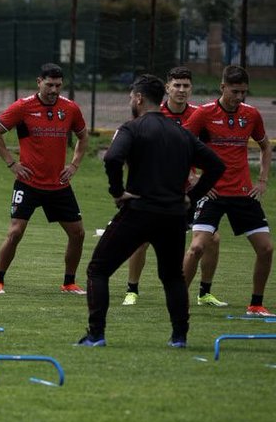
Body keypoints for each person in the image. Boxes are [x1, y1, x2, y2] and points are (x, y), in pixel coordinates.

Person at [77, 74, 224, 348]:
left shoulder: (132, 128)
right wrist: (190, 197)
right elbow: (216, 165)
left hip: (139, 212)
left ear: (139, 98)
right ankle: (179, 337)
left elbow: (112, 158)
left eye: (132, 97)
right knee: (172, 277)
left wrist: (117, 192)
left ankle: (96, 334)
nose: (131, 101)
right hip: (173, 216)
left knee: (98, 269)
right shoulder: (182, 133)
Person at [122, 66, 224, 307]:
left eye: (185, 85)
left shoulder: (200, 115)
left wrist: (199, 178)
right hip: (156, 190)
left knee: (213, 239)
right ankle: (132, 290)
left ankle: (204, 292)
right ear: (167, 88)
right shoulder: (152, 114)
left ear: (191, 88)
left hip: (187, 193)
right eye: (176, 85)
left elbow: (208, 154)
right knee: (142, 239)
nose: (181, 90)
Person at [0, 62, 89, 295]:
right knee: (15, 232)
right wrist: (12, 163)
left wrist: (73, 165)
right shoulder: (23, 107)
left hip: (59, 185)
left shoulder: (70, 108)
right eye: (49, 85)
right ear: (39, 82)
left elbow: (83, 137)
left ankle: (69, 282)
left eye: (58, 85)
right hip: (28, 183)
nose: (54, 90)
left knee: (78, 233)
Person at [183, 65, 273, 317]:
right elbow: (182, 145)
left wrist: (263, 180)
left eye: (244, 92)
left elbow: (266, 147)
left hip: (243, 193)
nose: (240, 97)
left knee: (266, 248)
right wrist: (194, 177)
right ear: (222, 87)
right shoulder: (204, 114)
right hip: (212, 194)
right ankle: (179, 299)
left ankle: (256, 304)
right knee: (197, 247)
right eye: (235, 91)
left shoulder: (252, 115)